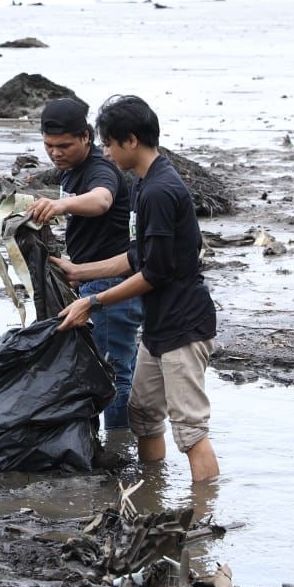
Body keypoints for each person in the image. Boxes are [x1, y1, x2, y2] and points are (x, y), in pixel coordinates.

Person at [51, 95, 220, 483]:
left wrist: (94, 300)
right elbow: (135, 257)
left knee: (190, 431)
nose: (106, 153)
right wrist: (80, 271)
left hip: (184, 325)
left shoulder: (161, 190)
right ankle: (150, 494)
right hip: (159, 326)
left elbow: (155, 273)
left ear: (130, 141)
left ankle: (204, 519)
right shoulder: (144, 186)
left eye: (108, 144)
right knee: (142, 414)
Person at [27, 97, 143, 430]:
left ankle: (120, 446)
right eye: (49, 146)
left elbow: (102, 200)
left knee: (114, 373)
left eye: (64, 146)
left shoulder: (99, 168)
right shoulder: (73, 170)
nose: (55, 153)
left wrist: (60, 207)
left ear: (86, 137)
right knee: (95, 370)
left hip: (113, 286)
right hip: (89, 280)